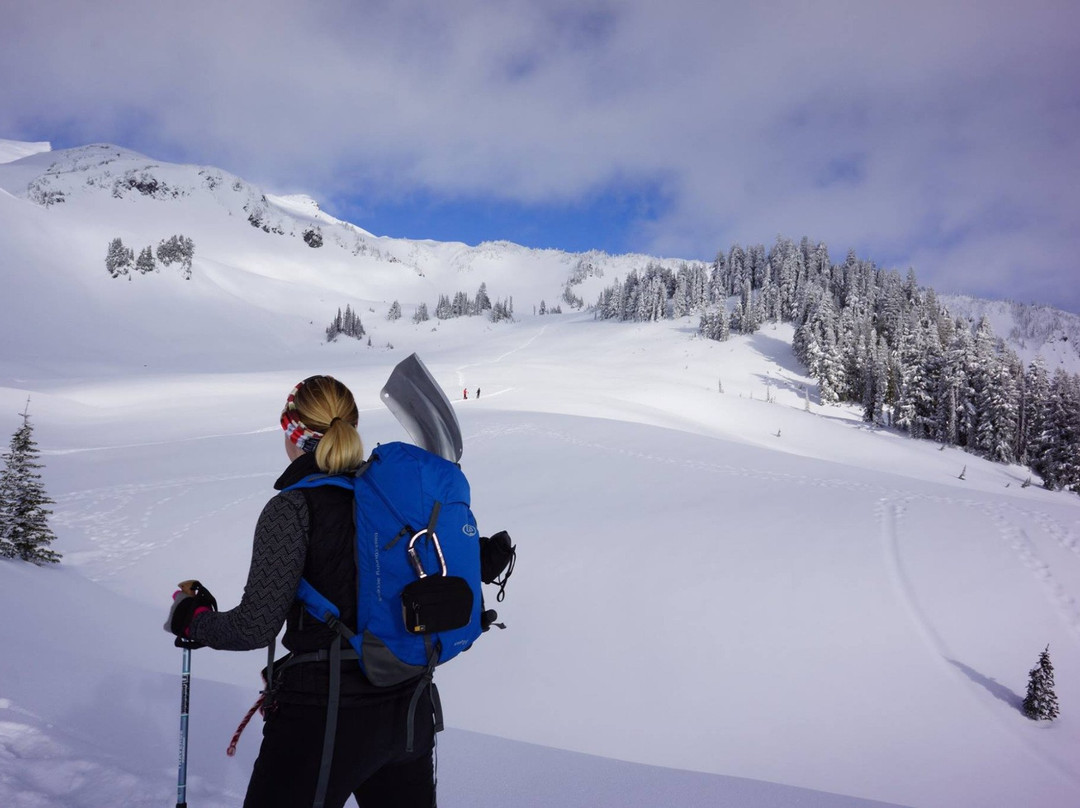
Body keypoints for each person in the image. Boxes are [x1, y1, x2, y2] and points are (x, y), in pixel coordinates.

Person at [164, 375, 437, 808]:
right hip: (409, 710)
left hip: (324, 716)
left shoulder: (293, 508)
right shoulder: (391, 500)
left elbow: (255, 627)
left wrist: (193, 620)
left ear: (292, 432)